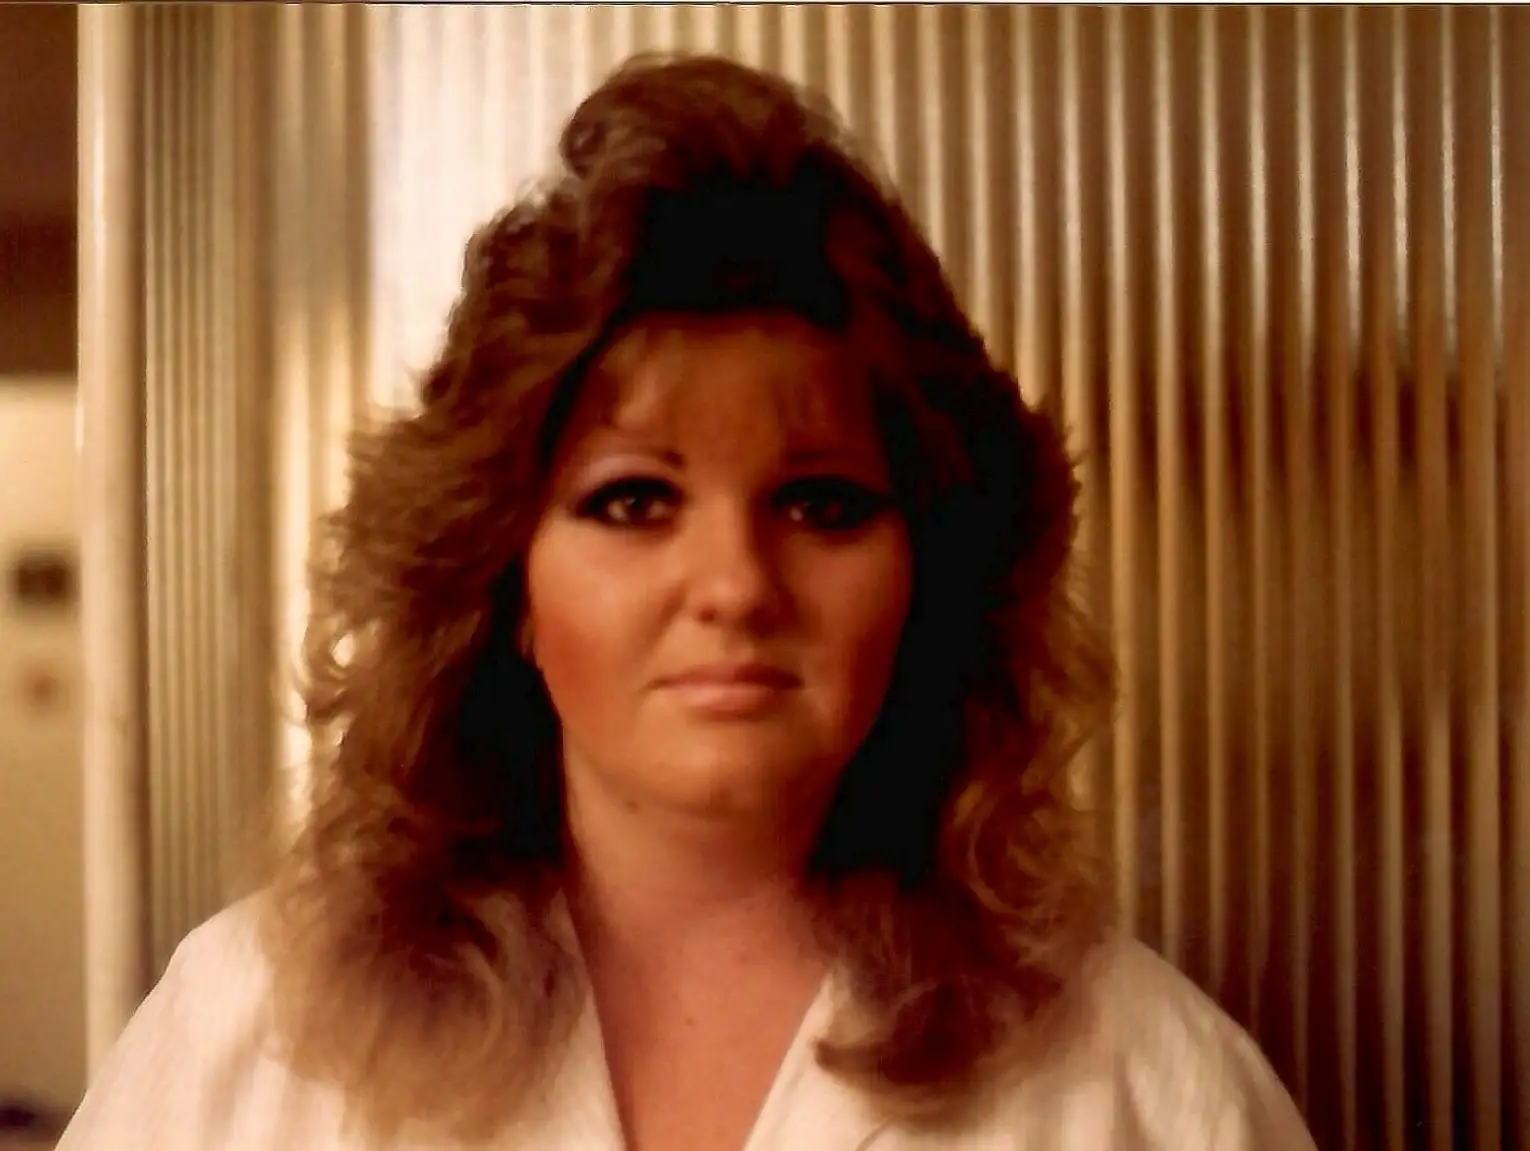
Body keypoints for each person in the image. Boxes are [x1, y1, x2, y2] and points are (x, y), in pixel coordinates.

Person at [58, 53, 1314, 1151]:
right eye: (633, 500)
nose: (736, 584)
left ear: (933, 575)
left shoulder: (1148, 1086)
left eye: (821, 502)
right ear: (500, 578)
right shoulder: (244, 1032)